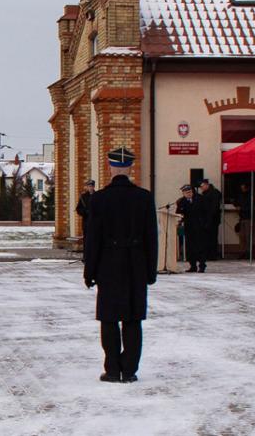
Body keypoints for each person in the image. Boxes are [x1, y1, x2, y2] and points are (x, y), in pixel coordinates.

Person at [83, 147, 158, 383]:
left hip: (108, 264)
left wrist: (90, 271)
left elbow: (92, 239)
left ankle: (113, 369)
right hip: (136, 263)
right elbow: (151, 237)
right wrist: (150, 270)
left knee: (109, 318)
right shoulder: (144, 198)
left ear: (110, 167)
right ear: (130, 168)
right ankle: (130, 369)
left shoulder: (99, 199)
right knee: (133, 318)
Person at [187, 178, 223, 272]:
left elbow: (213, 208)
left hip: (212, 220)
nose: (201, 188)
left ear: (207, 185)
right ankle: (208, 254)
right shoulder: (204, 194)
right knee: (205, 239)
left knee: (212, 237)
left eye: (202, 186)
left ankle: (212, 254)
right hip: (204, 221)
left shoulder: (214, 193)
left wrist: (208, 218)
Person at [76, 179, 97, 243]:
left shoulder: (97, 195)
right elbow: (78, 209)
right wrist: (84, 212)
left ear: (94, 187)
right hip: (86, 221)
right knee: (87, 239)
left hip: (95, 221)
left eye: (92, 186)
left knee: (95, 238)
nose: (90, 188)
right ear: (87, 187)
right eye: (89, 186)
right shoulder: (83, 196)